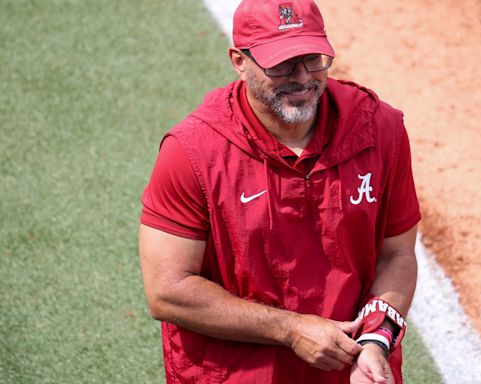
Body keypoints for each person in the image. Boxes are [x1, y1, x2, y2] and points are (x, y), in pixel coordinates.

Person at [138, 0, 420, 383]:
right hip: (237, 375)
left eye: (312, 58)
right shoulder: (192, 152)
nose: (302, 77)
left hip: (351, 371)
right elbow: (168, 290)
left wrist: (375, 340)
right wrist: (290, 329)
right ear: (239, 61)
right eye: (282, 64)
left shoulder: (380, 129)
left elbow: (397, 255)